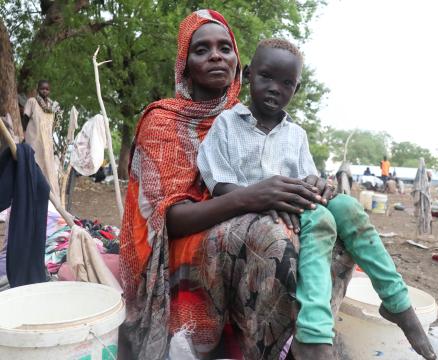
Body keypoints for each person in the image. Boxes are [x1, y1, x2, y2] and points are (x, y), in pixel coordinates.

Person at [197, 39, 436, 360]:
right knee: (322, 219)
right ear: (249, 74)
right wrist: (264, 197)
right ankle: (314, 334)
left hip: (295, 207)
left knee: (348, 207)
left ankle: (398, 303)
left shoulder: (296, 135)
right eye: (266, 77)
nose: (274, 88)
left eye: (286, 83)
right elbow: (220, 186)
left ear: (296, 88)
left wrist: (317, 185)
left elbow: (308, 181)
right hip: (246, 211)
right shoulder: (226, 124)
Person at [120, 11, 323, 360]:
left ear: (237, 63)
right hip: (183, 241)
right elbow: (167, 221)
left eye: (225, 47)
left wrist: (310, 189)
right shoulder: (163, 121)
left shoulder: (249, 114)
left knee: (327, 235)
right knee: (271, 237)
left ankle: (310, 339)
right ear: (185, 66)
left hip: (247, 216)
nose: (216, 55)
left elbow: (282, 175)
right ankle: (263, 349)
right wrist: (252, 198)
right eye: (201, 49)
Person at [22, 80, 60, 197]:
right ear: (38, 89)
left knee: (47, 169)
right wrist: (24, 136)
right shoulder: (32, 102)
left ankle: (47, 197)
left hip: (47, 143)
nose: (45, 91)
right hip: (33, 140)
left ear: (50, 91)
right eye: (43, 88)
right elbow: (25, 119)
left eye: (47, 89)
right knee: (33, 166)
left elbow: (53, 126)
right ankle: (30, 194)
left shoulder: (53, 107)